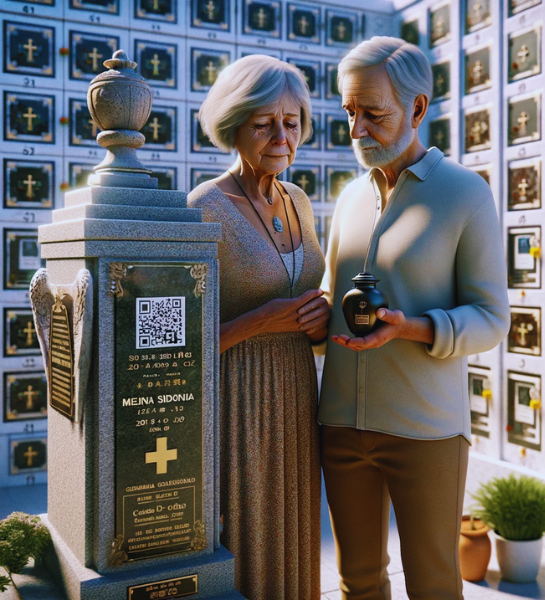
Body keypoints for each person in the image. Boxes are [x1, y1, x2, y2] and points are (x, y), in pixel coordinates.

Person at [319, 37, 510, 600]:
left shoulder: (466, 194)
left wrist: (412, 328)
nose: (357, 131)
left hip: (426, 431)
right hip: (340, 426)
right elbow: (335, 292)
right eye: (350, 113)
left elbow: (492, 317)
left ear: (418, 109)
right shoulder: (350, 198)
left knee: (432, 584)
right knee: (357, 582)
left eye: (373, 114)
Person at [187, 54, 327, 600]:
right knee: (246, 528)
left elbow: (309, 295)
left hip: (296, 391)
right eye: (264, 122)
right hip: (236, 396)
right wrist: (260, 320)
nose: (280, 135)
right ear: (235, 124)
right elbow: (177, 343)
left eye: (290, 122)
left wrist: (316, 322)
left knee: (295, 524)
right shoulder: (205, 207)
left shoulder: (299, 202)